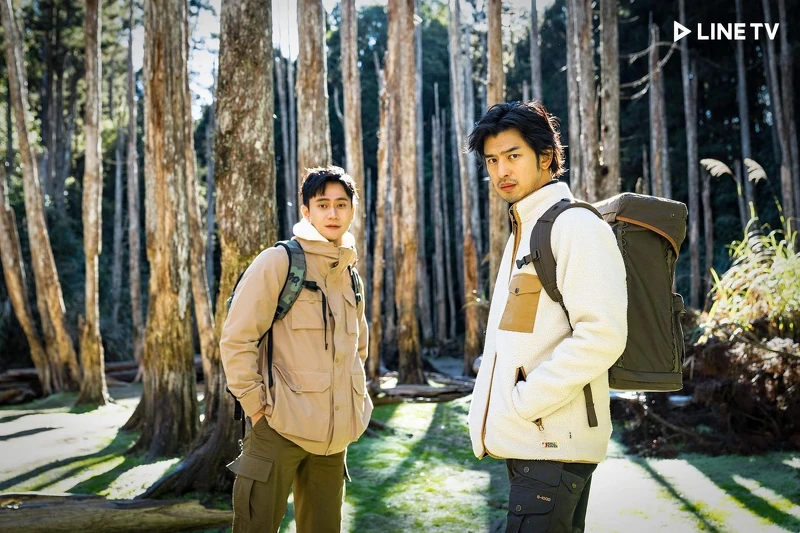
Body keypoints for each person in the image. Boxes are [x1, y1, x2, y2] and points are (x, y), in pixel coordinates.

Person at [466, 101, 628, 533]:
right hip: (533, 444)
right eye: (492, 160)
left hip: (552, 444)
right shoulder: (527, 228)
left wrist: (526, 400)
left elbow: (603, 334)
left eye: (512, 155)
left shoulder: (574, 226)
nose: (502, 170)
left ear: (546, 157)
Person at [220, 166, 372, 533]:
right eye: (322, 205)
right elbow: (237, 339)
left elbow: (358, 350)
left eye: (341, 204)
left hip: (333, 441)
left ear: (352, 210)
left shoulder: (350, 274)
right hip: (277, 429)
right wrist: (257, 410)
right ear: (306, 211)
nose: (332, 213)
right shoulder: (278, 262)